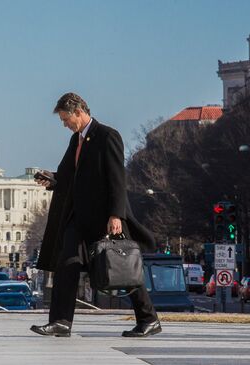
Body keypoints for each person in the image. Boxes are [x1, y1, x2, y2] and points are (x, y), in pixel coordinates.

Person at [30, 92, 161, 338]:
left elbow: (117, 179)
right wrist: (51, 181)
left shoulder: (107, 136)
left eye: (65, 119)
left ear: (79, 112)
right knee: (65, 264)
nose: (64, 124)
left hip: (103, 218)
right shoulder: (75, 141)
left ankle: (148, 318)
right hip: (78, 218)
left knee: (120, 267)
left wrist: (116, 215)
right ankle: (60, 321)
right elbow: (69, 177)